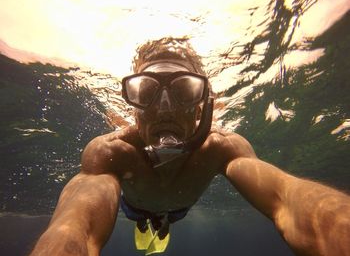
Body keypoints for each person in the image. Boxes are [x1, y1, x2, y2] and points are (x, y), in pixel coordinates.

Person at [30, 37, 350, 256]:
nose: (165, 107)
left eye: (185, 90)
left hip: (178, 210)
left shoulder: (221, 148)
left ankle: (160, 223)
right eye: (146, 91)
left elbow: (286, 199)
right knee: (145, 219)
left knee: (166, 219)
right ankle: (147, 223)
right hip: (135, 207)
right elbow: (75, 228)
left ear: (202, 106)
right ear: (133, 107)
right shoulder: (111, 152)